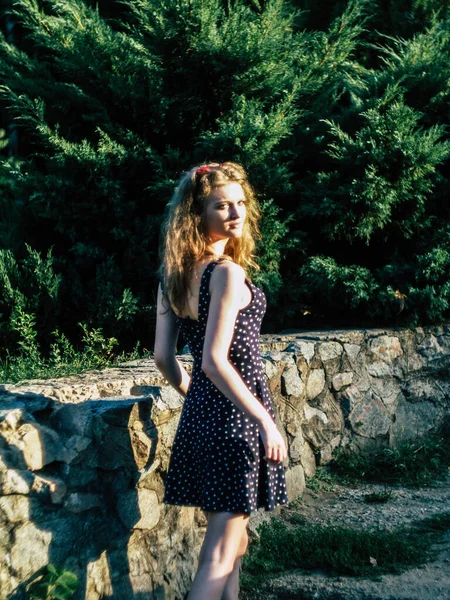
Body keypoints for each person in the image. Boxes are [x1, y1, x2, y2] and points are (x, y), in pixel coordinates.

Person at [154, 161, 288, 600]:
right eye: (221, 206)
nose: (235, 214)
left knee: (234, 543)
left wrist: (195, 397)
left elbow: (164, 359)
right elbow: (213, 360)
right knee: (219, 553)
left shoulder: (171, 278)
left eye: (240, 204)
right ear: (198, 214)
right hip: (237, 422)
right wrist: (266, 422)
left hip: (203, 420)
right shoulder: (226, 273)